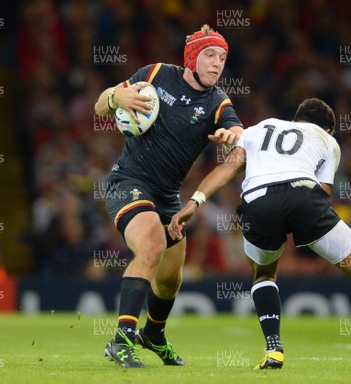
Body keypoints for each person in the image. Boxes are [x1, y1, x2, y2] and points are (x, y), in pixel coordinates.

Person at [168, 98, 351, 371]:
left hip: (259, 204)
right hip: (304, 197)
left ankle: (273, 349)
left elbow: (232, 165)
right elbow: (322, 191)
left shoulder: (258, 128)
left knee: (263, 275)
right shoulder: (328, 141)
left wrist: (195, 200)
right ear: (327, 129)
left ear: (296, 118)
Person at [94, 24, 243, 368]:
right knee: (152, 245)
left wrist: (230, 134)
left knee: (170, 278)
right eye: (210, 55)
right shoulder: (156, 74)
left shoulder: (218, 101)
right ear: (192, 57)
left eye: (222, 57)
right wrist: (117, 97)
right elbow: (101, 104)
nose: (217, 63)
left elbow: (237, 130)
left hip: (168, 197)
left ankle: (154, 334)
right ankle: (122, 339)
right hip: (128, 181)